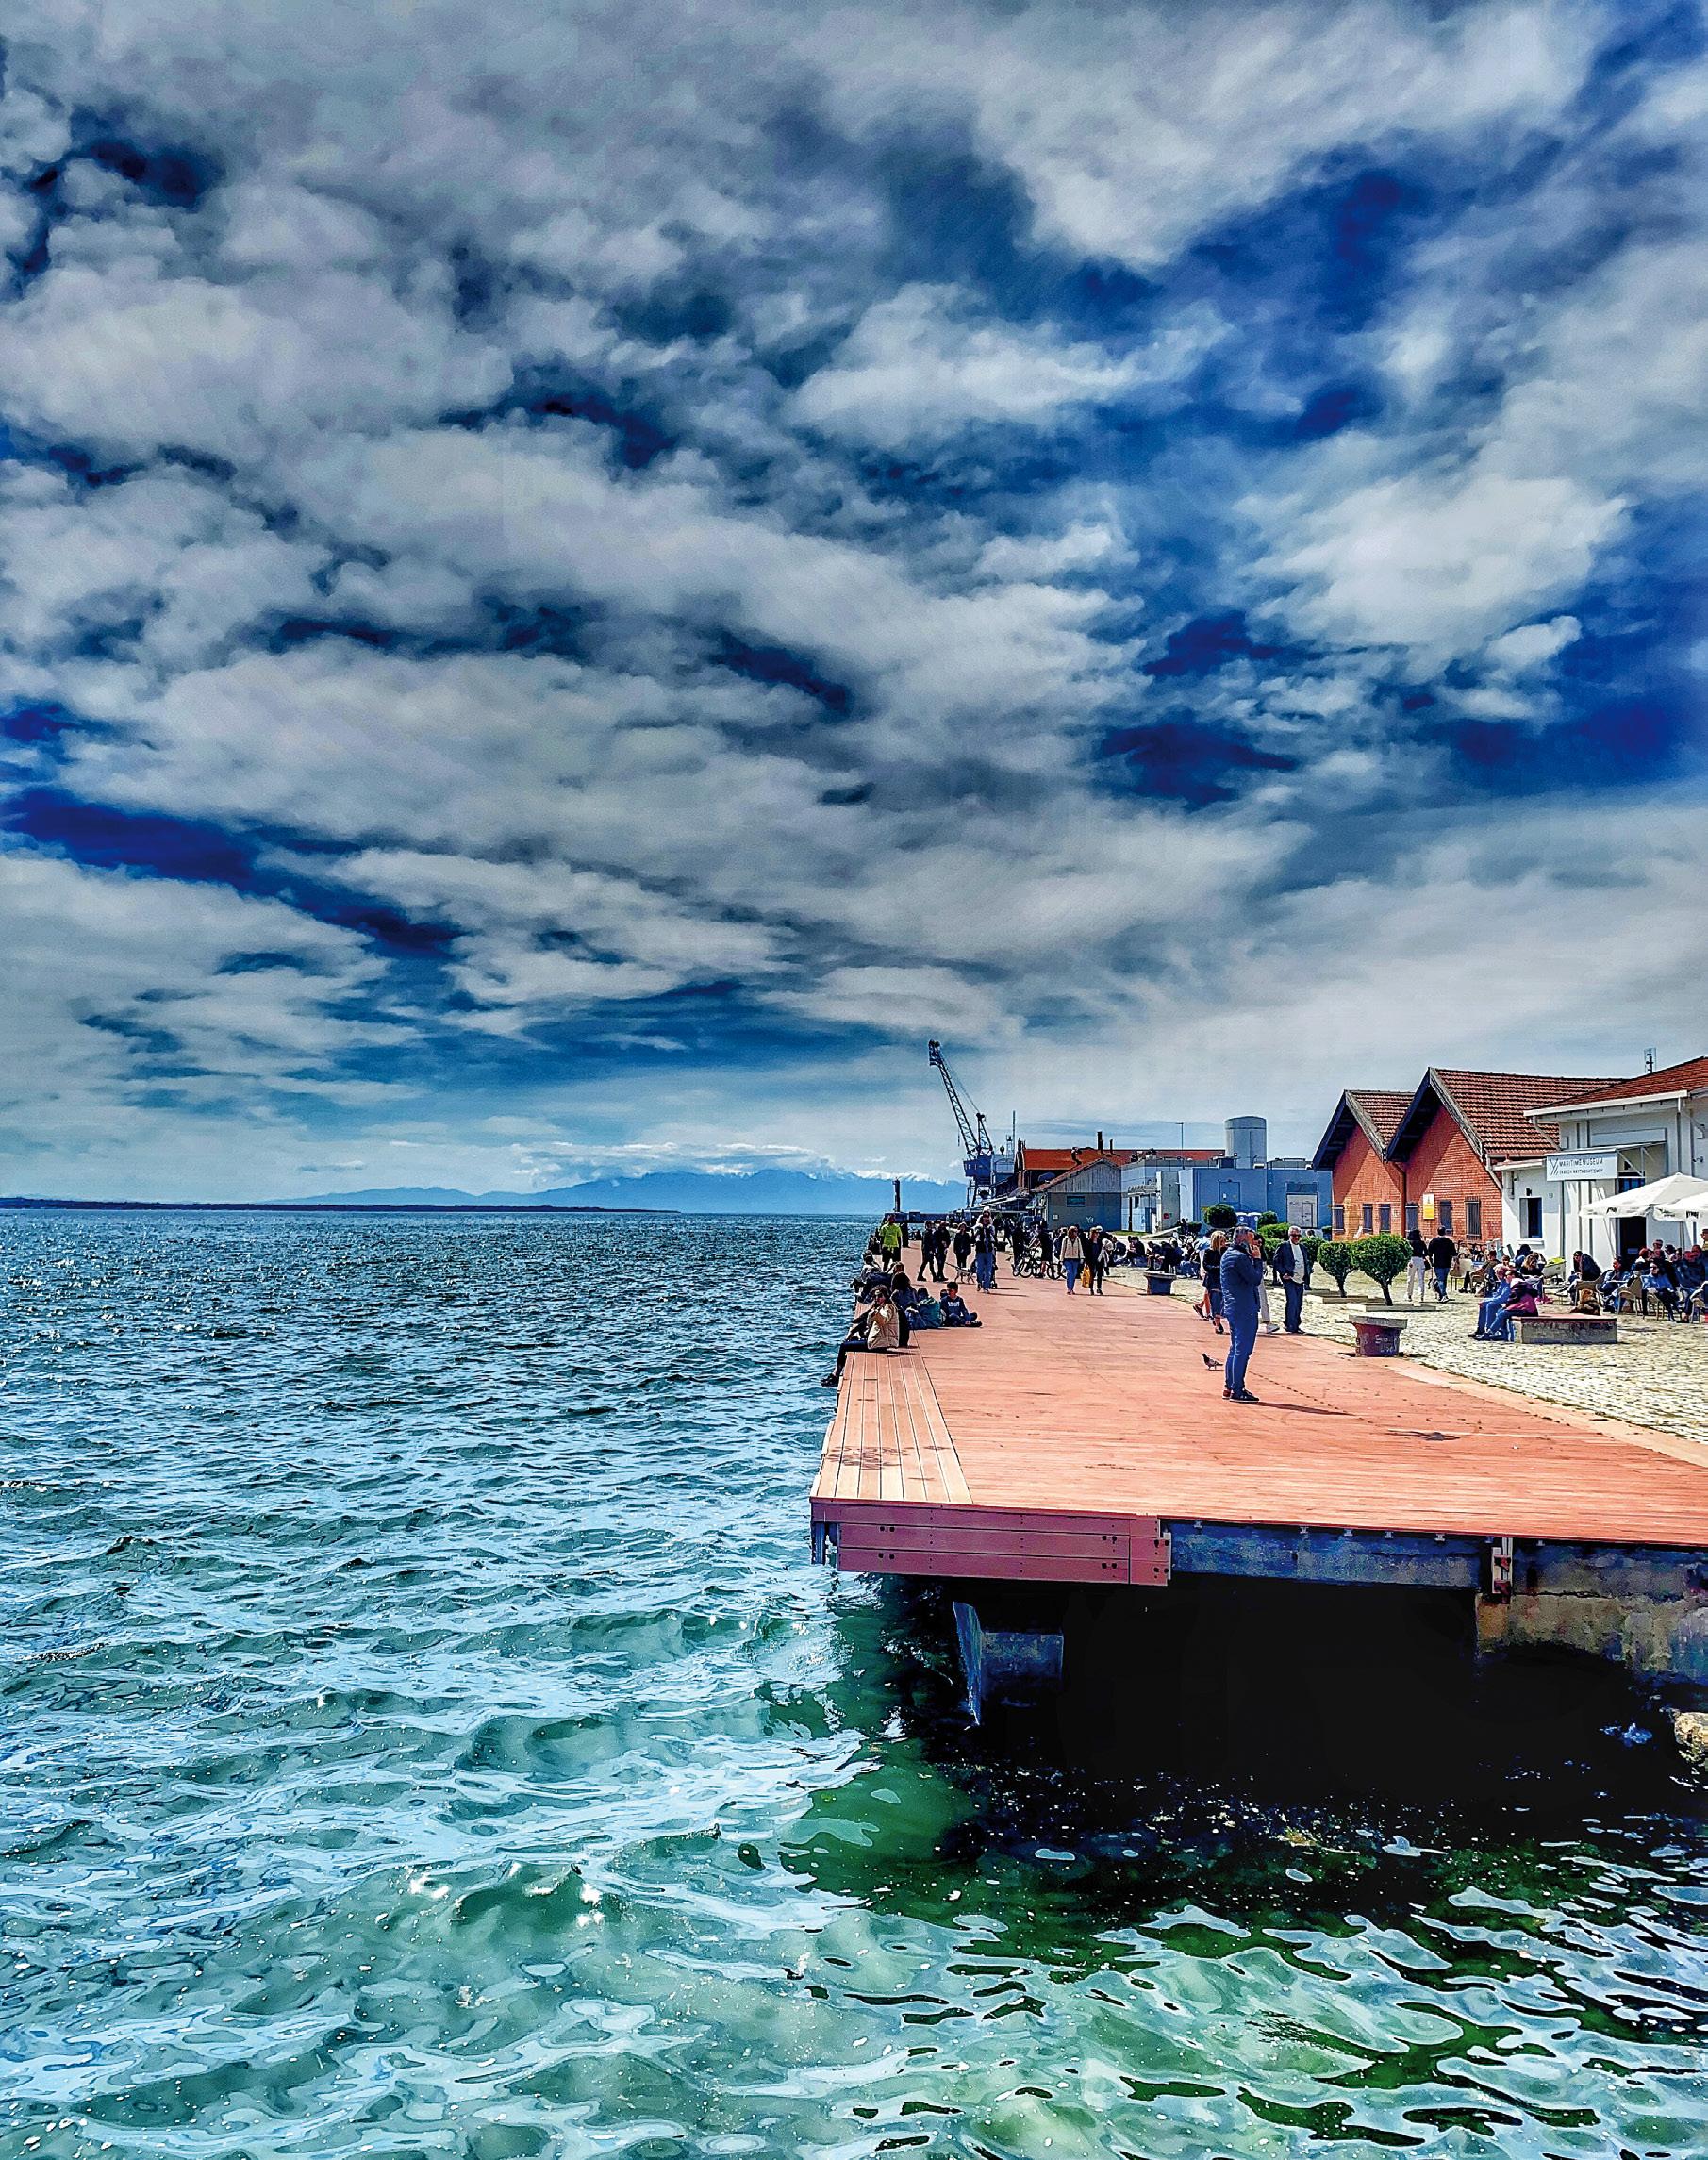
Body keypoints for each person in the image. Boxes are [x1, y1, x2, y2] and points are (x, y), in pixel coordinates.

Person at [1219, 1225, 1264, 1402]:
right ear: (1243, 1240)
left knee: (1235, 1348)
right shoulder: (1240, 1258)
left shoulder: (1228, 1255)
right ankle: (1237, 1389)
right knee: (1242, 1350)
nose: (1255, 1244)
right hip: (1244, 1307)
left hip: (1233, 1306)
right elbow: (1255, 1278)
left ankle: (1229, 1386)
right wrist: (1257, 1260)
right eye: (1252, 1240)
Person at [1271, 1225, 1307, 1333]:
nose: (1296, 1238)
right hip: (1289, 1279)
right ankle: (1290, 1325)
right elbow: (1276, 1261)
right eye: (1294, 1235)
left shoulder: (1303, 1248)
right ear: (1289, 1235)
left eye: (1298, 1236)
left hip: (1301, 1279)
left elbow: (1306, 1262)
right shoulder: (1283, 1246)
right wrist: (1283, 1273)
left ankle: (1296, 1325)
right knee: (1292, 1301)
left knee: (1299, 1303)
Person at [1199, 1231, 1227, 1334]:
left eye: (1224, 1241)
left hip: (1223, 1279)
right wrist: (1218, 1268)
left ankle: (1217, 1318)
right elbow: (1206, 1265)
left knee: (1224, 1302)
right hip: (1213, 1280)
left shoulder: (1226, 1251)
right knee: (1215, 1301)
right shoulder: (1209, 1252)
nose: (1224, 1243)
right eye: (1222, 1241)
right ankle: (1218, 1323)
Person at [1425, 1227, 1456, 1301]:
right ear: (1445, 1232)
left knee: (1440, 1279)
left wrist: (1431, 1261)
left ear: (1438, 1232)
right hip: (1447, 1262)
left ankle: (1443, 1295)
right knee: (1444, 1279)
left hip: (1437, 1263)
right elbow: (1454, 1253)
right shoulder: (1449, 1242)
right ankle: (1443, 1294)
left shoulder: (1434, 1241)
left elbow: (1429, 1253)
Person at [973, 1213, 998, 1293]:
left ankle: (986, 1286)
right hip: (980, 1251)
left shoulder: (991, 1228)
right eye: (984, 1217)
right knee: (979, 1269)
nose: (986, 1219)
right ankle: (979, 1281)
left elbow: (994, 1237)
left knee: (988, 1270)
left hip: (989, 1251)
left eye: (987, 1217)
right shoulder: (978, 1227)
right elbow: (974, 1237)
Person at [1404, 1226, 1427, 1304]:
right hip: (1420, 1260)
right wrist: (1422, 1256)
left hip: (1412, 1260)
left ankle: (1409, 1295)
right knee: (1421, 1279)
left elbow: (1406, 1253)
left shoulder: (1409, 1243)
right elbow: (1426, 1252)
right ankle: (1421, 1296)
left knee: (1410, 1278)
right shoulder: (1421, 1243)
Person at [1059, 1223, 1084, 1294]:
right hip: (1067, 1259)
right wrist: (1061, 1259)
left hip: (1075, 1259)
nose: (1075, 1233)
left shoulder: (1078, 1239)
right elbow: (1063, 1249)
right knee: (1069, 1273)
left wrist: (1081, 1257)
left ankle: (1072, 1288)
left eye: (1076, 1231)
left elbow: (1080, 1249)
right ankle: (1069, 1288)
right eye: (1074, 1231)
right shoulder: (1066, 1239)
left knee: (1074, 1273)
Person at [1083, 1222, 1106, 1295]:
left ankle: (1099, 1288)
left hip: (1099, 1260)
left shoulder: (1099, 1241)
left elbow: (1101, 1250)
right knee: (1092, 1275)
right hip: (1091, 1260)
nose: (1097, 1234)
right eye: (1095, 1233)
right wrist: (1086, 1261)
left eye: (1097, 1233)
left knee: (1099, 1274)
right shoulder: (1089, 1241)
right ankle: (1091, 1288)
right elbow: (1086, 1251)